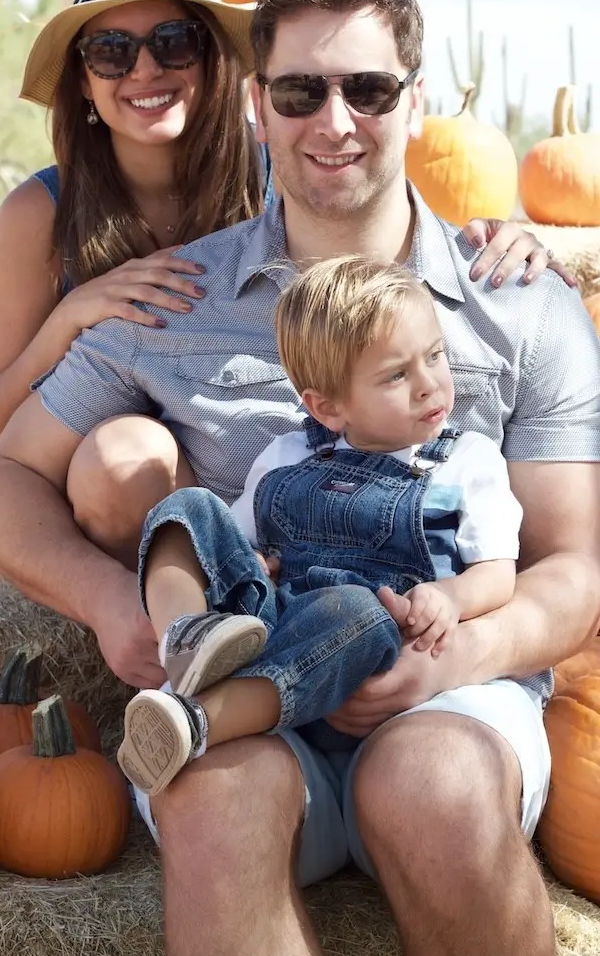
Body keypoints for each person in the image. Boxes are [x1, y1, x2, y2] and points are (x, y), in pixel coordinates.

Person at [0, 0, 600, 956]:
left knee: (433, 785)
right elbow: (0, 481)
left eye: (367, 89)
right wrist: (109, 602)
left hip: (458, 681)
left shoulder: (524, 307)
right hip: (256, 674)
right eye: (300, 91)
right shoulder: (174, 299)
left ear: (417, 98)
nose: (335, 122)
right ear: (258, 109)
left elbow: (578, 570)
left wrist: (444, 662)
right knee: (215, 792)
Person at [0, 0, 567, 591]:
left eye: (173, 42)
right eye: (112, 50)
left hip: (249, 468)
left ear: (211, 58)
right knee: (117, 456)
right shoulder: (42, 213)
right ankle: (183, 618)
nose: (145, 70)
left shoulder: (275, 171)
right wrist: (72, 317)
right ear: (81, 76)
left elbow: (372, 207)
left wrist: (484, 239)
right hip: (124, 484)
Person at [116, 254, 523, 798]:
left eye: (435, 356)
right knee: (186, 509)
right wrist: (247, 566)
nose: (429, 385)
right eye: (397, 374)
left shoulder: (467, 462)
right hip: (269, 629)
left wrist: (450, 597)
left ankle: (197, 721)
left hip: (358, 658)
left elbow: (498, 573)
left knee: (360, 608)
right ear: (327, 407)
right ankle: (186, 638)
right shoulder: (287, 457)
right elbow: (235, 545)